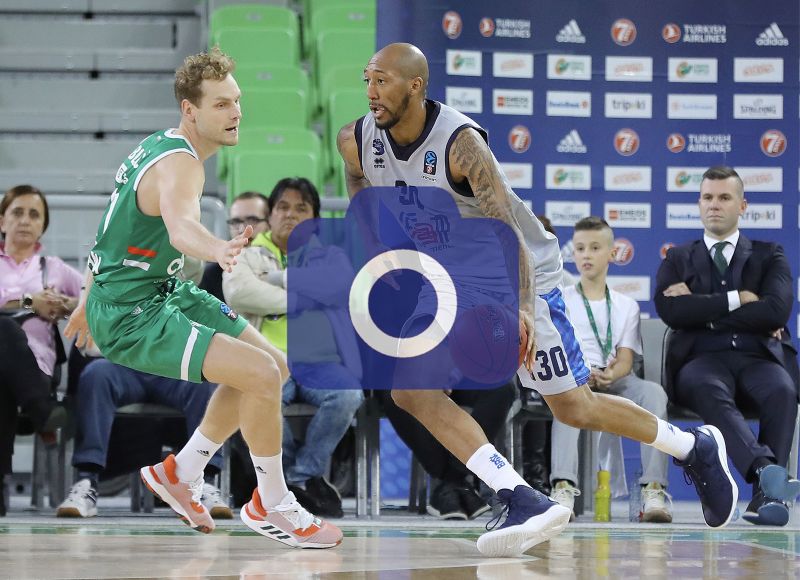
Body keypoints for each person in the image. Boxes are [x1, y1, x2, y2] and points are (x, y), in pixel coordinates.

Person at [337, 43, 737, 556]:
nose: (371, 92)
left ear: (415, 85)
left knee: (573, 407)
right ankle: (518, 495)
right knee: (410, 389)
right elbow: (358, 178)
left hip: (517, 272)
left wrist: (522, 308)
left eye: (383, 81)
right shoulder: (357, 139)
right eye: (367, 80)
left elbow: (510, 233)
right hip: (450, 276)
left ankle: (691, 445)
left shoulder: (461, 146)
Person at [65, 48, 341, 548]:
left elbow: (110, 229)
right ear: (190, 110)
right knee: (260, 375)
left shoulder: (158, 145)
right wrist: (218, 248)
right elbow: (181, 228)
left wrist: (88, 296)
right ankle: (272, 502)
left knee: (275, 367)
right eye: (221, 104)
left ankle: (182, 472)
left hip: (155, 290)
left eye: (236, 101)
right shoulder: (183, 167)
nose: (236, 112)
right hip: (134, 313)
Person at [655, 165, 799, 526]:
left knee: (782, 390)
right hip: (700, 362)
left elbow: (776, 311)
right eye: (707, 197)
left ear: (742, 205)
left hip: (757, 357)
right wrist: (738, 299)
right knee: (708, 388)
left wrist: (701, 310)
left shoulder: (769, 254)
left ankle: (765, 498)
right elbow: (670, 310)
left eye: (723, 197)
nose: (714, 205)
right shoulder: (678, 258)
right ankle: (765, 475)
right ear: (699, 203)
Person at [223, 177, 363, 518]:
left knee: (347, 395)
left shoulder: (330, 256)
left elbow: (338, 286)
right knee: (257, 402)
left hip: (320, 362)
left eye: (302, 208)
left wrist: (275, 282)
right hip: (265, 360)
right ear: (269, 215)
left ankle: (301, 476)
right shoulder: (246, 253)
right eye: (283, 207)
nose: (291, 215)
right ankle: (286, 480)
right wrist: (302, 298)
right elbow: (240, 293)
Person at [57, 258, 232, 519]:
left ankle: (204, 482)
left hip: (170, 366)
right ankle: (87, 481)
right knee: (95, 375)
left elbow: (194, 269)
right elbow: (91, 345)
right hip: (123, 363)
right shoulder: (108, 261)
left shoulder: (177, 257)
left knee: (206, 383)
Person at [550, 217, 672, 523]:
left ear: (611, 253)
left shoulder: (626, 304)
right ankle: (563, 488)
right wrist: (581, 372)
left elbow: (625, 360)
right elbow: (558, 349)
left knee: (653, 393)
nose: (586, 255)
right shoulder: (561, 300)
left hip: (615, 378)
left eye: (595, 248)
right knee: (567, 395)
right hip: (575, 377)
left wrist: (610, 374)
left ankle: (654, 490)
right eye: (580, 248)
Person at [0, 184, 80, 515]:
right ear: (2, 220)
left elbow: (94, 298)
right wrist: (31, 302)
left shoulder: (54, 267)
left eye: (34, 215)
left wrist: (65, 304)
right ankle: (42, 410)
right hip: (29, 385)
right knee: (4, 329)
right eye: (17, 212)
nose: (25, 220)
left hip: (38, 367)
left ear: (42, 226)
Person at [200, 191, 269, 302]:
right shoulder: (211, 275)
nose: (242, 230)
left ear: (270, 224)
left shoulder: (285, 265)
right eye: (235, 221)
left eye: (252, 220)